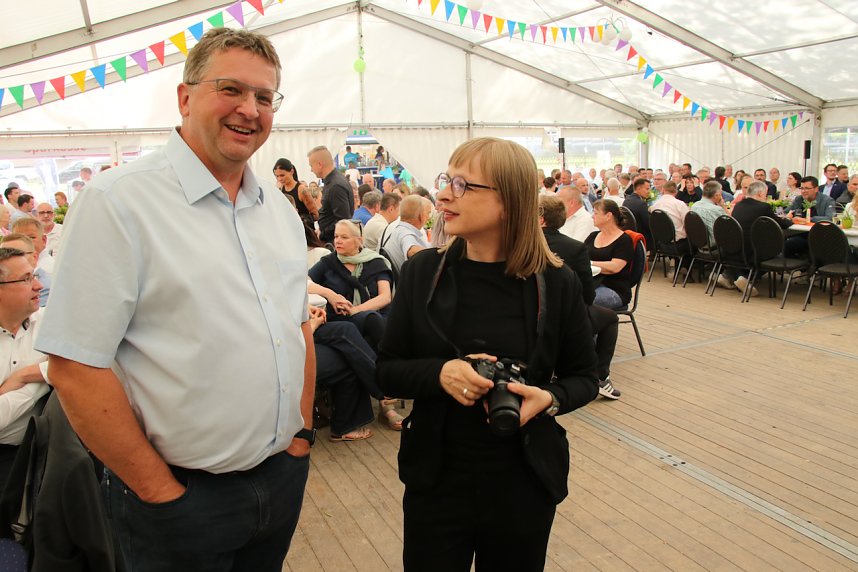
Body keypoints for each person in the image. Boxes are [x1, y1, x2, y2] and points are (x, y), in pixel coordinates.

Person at [35, 28, 315, 572]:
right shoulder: (119, 201)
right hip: (178, 499)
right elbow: (74, 365)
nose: (249, 109)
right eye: (231, 89)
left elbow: (298, 326)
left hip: (279, 478)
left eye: (264, 97)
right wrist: (158, 490)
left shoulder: (278, 209)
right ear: (185, 98)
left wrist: (300, 439)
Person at [376, 137, 597, 572]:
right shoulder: (423, 272)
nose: (442, 195)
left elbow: (585, 378)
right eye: (446, 180)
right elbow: (386, 372)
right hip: (437, 481)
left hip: (523, 481)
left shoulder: (556, 282)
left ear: (509, 201)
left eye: (462, 185)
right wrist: (440, 373)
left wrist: (549, 398)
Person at [540, 196, 620, 400]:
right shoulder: (575, 248)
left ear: (540, 218)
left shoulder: (519, 243)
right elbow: (587, 294)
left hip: (528, 313)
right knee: (610, 318)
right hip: (563, 318)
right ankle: (600, 376)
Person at [0, 247, 50, 485]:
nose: (39, 286)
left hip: (40, 456)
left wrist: (26, 375)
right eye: (26, 279)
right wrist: (45, 378)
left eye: (35, 276)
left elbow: (80, 367)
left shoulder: (49, 324)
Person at [308, 306, 376, 442]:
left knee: (348, 329)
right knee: (350, 359)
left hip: (302, 331)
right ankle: (385, 387)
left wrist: (308, 308)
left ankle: (384, 385)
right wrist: (312, 325)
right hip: (290, 353)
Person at [586, 200, 634, 310]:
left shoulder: (624, 240)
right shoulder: (593, 236)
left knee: (583, 300)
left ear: (608, 216)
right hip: (592, 283)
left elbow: (615, 267)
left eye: (596, 213)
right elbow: (581, 257)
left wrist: (590, 263)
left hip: (614, 288)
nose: (592, 216)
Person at [311, 145, 354, 243]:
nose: (311, 170)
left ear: (320, 164)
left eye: (311, 166)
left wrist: (323, 233)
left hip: (334, 243)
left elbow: (342, 220)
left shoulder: (335, 186)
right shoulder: (332, 182)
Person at [784, 176, 835, 258]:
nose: (803, 191)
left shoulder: (827, 200)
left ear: (816, 189)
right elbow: (785, 212)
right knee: (782, 242)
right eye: (802, 188)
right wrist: (788, 216)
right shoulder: (799, 199)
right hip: (798, 232)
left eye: (807, 188)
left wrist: (807, 220)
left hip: (819, 235)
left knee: (790, 244)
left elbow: (829, 218)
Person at [379, 195, 430, 274]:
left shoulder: (399, 229)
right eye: (428, 213)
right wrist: (436, 256)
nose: (428, 217)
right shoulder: (405, 233)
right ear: (421, 215)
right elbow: (411, 251)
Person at [274, 157, 317, 226]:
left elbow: (316, 214)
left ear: (291, 172)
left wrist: (301, 218)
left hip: (304, 228)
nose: (280, 179)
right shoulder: (281, 188)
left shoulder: (301, 190)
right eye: (277, 176)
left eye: (282, 175)